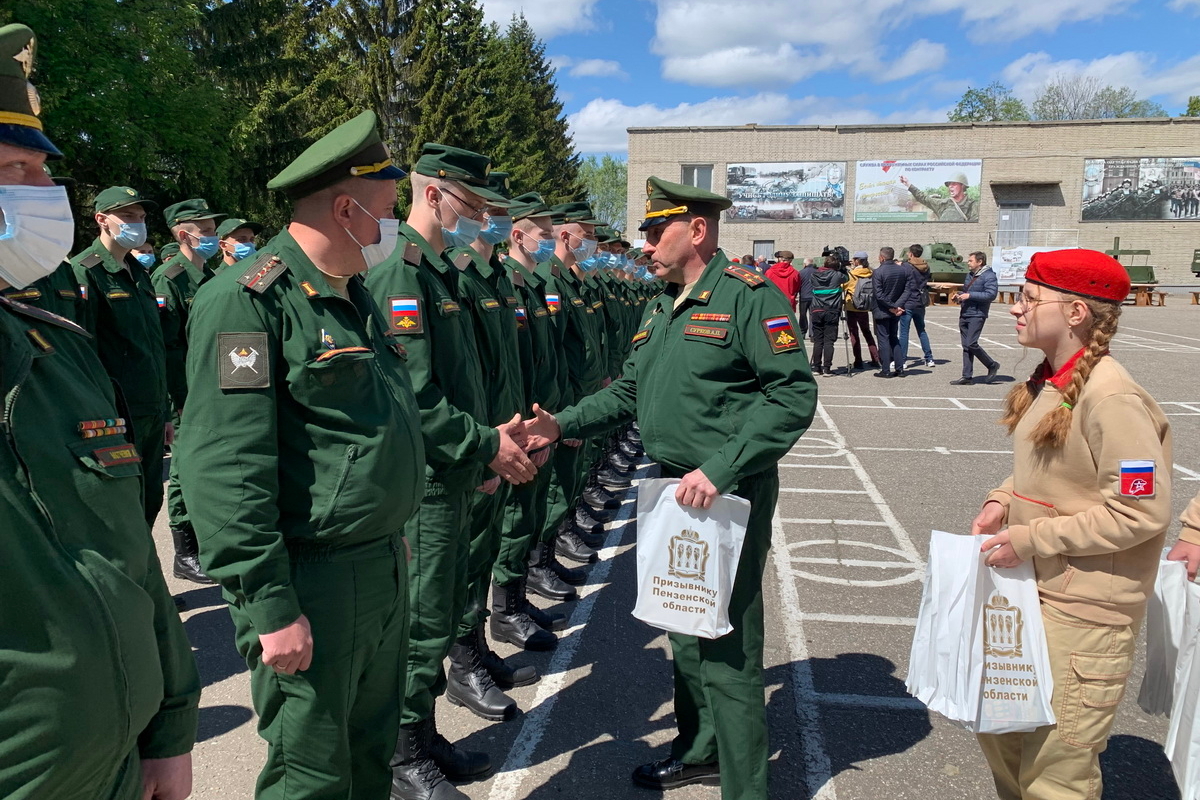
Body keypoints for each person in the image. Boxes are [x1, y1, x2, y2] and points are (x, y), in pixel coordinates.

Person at [522, 176, 817, 800]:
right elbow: (629, 391)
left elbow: (791, 395)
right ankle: (699, 751)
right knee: (683, 628)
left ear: (698, 231)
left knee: (728, 643)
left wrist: (721, 468)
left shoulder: (748, 298)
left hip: (723, 490)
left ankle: (746, 788)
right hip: (668, 487)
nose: (648, 244)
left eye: (659, 231)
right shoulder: (663, 303)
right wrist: (560, 424)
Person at [178, 110, 423, 800]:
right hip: (310, 579)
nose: (392, 225)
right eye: (385, 209)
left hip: (376, 565)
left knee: (369, 756)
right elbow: (227, 465)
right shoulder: (248, 302)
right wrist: (269, 603)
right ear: (346, 209)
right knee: (311, 774)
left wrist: (390, 529)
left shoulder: (351, 299)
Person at [0, 22, 199, 800]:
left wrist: (168, 724)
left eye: (41, 174)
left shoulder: (53, 340)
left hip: (112, 760)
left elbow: (122, 553)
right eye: (12, 170)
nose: (42, 196)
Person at [363, 142, 535, 800]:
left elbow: (473, 382)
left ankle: (421, 732)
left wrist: (486, 449)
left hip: (457, 472)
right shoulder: (404, 275)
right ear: (432, 194)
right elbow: (416, 398)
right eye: (471, 203)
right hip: (428, 485)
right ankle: (404, 752)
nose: (481, 216)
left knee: (437, 611)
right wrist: (483, 446)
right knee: (422, 619)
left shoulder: (446, 273)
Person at [970, 249, 1171, 800]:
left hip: (1084, 615)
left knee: (1054, 774)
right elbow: (1052, 477)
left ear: (1076, 312)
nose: (1016, 310)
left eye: (1030, 300)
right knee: (1004, 742)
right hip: (1033, 596)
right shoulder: (1052, 381)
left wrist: (1030, 538)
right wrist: (1001, 501)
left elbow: (1140, 511)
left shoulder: (1114, 398)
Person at [71, 184, 171, 526]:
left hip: (152, 409)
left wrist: (166, 411)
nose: (138, 223)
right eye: (128, 216)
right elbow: (83, 352)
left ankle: (142, 575)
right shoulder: (86, 271)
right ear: (102, 220)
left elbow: (153, 347)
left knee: (150, 500)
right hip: (115, 414)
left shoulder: (140, 272)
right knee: (120, 508)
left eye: (142, 217)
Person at [153, 198, 226, 585]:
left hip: (207, 388)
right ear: (184, 235)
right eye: (208, 231)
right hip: (184, 394)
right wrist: (170, 404)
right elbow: (163, 348)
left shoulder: (209, 276)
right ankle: (185, 553)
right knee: (182, 472)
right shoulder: (169, 278)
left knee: (203, 467)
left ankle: (205, 542)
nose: (214, 237)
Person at [951, 251, 1000, 386]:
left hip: (977, 314)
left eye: (971, 260)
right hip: (965, 312)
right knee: (966, 346)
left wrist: (970, 295)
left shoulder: (989, 276)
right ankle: (967, 376)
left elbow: (991, 295)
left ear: (980, 262)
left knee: (972, 343)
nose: (968, 262)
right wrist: (959, 295)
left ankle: (991, 364)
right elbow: (966, 292)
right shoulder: (970, 275)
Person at [871, 246, 910, 378]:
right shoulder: (902, 270)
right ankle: (900, 369)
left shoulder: (878, 272)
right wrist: (897, 306)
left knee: (884, 339)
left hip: (883, 309)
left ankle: (886, 369)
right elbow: (907, 290)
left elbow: (879, 294)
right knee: (894, 337)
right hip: (895, 310)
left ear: (881, 257)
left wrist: (892, 306)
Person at [808, 255, 847, 376]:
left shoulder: (814, 275)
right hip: (832, 310)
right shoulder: (837, 275)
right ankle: (827, 368)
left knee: (818, 340)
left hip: (816, 309)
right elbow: (846, 278)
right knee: (829, 341)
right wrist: (842, 267)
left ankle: (816, 367)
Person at [898, 244, 935, 368]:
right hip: (920, 302)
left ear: (911, 253)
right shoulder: (926, 266)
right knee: (921, 330)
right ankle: (929, 358)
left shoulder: (907, 266)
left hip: (908, 302)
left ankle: (902, 360)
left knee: (904, 332)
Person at [844, 251, 880, 370]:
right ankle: (875, 358)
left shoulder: (851, 274)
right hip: (865, 306)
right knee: (867, 332)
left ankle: (858, 360)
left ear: (856, 261)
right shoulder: (871, 272)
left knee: (854, 333)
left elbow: (842, 286)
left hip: (852, 306)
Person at [899, 171, 979, 222]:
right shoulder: (943, 204)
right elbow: (923, 198)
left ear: (963, 186)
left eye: (954, 184)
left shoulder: (973, 205)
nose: (950, 186)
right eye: (949, 185)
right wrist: (908, 184)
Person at [797, 255, 816, 339]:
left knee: (802, 315)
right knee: (813, 315)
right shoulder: (817, 272)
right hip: (814, 297)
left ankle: (802, 332)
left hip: (804, 296)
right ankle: (812, 333)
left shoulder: (801, 272)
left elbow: (798, 285)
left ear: (805, 264)